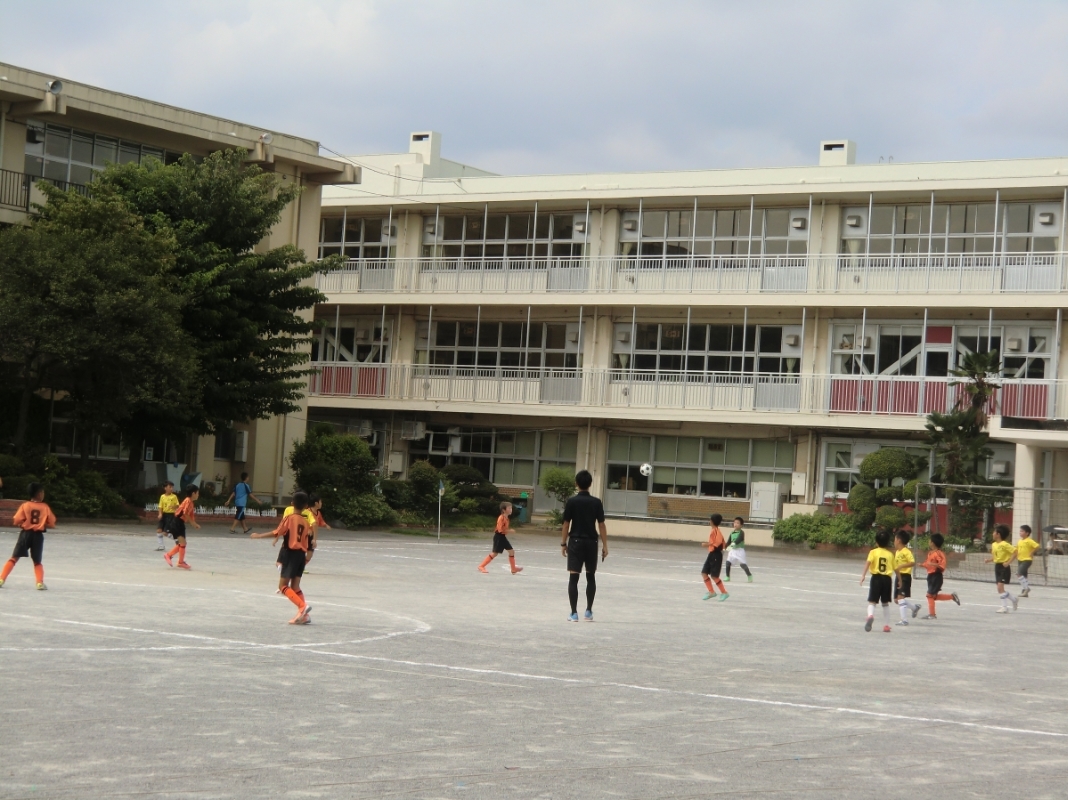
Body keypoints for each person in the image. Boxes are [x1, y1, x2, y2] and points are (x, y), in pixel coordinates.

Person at [251, 491, 315, 624]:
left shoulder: (289, 518)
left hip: (290, 553)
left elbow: (277, 532)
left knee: (282, 586)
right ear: (306, 506)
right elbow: (307, 541)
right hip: (301, 555)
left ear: (292, 504)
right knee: (295, 586)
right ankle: (304, 615)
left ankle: (302, 607)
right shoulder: (305, 522)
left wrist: (259, 535)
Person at [561, 470, 607, 622]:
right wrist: (605, 545)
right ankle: (588, 611)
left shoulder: (572, 502)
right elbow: (601, 525)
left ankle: (574, 613)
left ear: (576, 484)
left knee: (573, 578)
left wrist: (563, 543)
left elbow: (566, 524)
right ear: (590, 484)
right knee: (590, 577)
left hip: (575, 541)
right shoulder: (596, 502)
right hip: (591, 542)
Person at [0, 482, 56, 590]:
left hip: (25, 534)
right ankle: (39, 583)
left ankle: (1, 579)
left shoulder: (25, 505)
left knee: (14, 557)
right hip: (38, 536)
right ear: (39, 494)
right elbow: (52, 522)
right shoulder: (45, 507)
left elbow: (16, 520)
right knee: (37, 561)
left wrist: (23, 524)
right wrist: (43, 523)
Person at [917, 533, 959, 619]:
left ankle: (932, 614)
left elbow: (942, 565)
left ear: (933, 543)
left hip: (936, 576)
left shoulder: (939, 553)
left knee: (929, 595)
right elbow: (928, 563)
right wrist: (922, 565)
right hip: (930, 576)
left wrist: (933, 564)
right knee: (933, 596)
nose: (929, 542)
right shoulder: (930, 553)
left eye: (930, 540)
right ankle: (952, 596)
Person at [860, 530, 895, 632]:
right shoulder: (890, 554)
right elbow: (896, 568)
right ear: (888, 542)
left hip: (876, 578)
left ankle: (870, 615)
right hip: (887, 579)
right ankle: (886, 625)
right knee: (885, 603)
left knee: (872, 601)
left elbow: (868, 563)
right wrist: (900, 580)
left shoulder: (873, 552)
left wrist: (863, 575)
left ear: (876, 542)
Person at [478, 501, 523, 574]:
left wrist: (507, 531)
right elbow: (500, 530)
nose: (511, 510)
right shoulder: (501, 518)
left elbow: (504, 530)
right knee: (495, 553)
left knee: (511, 551)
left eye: (511, 508)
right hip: (498, 537)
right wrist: (509, 531)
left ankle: (513, 569)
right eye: (509, 508)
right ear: (503, 510)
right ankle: (481, 566)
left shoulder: (507, 518)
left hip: (502, 537)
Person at [164, 486, 201, 570]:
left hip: (179, 522)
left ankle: (172, 557)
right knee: (183, 543)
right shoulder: (188, 501)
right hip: (177, 522)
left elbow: (191, 515)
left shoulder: (191, 502)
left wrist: (194, 523)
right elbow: (185, 513)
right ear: (193, 493)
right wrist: (193, 523)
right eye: (197, 493)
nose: (198, 495)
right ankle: (177, 560)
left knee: (183, 543)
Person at [985, 524, 1018, 613]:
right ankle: (1014, 599)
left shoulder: (1005, 544)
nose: (992, 534)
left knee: (1000, 587)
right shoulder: (994, 545)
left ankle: (1004, 607)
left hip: (1004, 567)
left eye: (994, 532)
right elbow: (995, 557)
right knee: (999, 588)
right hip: (997, 566)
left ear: (998, 534)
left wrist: (1008, 563)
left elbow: (1015, 552)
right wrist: (989, 560)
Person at [892, 531, 923, 625]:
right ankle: (914, 608)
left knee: (901, 598)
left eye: (895, 539)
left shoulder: (906, 551)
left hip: (905, 577)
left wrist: (902, 566)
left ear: (899, 540)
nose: (894, 541)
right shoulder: (897, 552)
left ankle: (904, 620)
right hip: (898, 576)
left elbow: (912, 562)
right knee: (897, 600)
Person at [702, 513, 729, 601]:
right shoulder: (714, 530)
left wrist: (706, 544)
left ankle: (724, 592)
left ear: (712, 521)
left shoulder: (717, 531)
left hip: (716, 555)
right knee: (704, 573)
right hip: (711, 554)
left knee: (714, 576)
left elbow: (717, 544)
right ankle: (711, 592)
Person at [724, 516, 752, 583]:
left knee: (742, 564)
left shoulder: (741, 532)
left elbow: (739, 539)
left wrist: (733, 544)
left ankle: (749, 575)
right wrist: (724, 546)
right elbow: (728, 541)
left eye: (737, 523)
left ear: (741, 525)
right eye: (735, 522)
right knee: (728, 563)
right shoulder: (732, 532)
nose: (735, 524)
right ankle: (727, 576)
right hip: (733, 550)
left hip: (740, 550)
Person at [1015, 524, 1041, 597]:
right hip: (1020, 559)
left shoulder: (1029, 541)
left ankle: (1026, 588)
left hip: (1027, 560)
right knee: (1024, 575)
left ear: (1027, 533)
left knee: (1019, 573)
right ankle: (1024, 591)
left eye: (1022, 531)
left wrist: (1032, 552)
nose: (1020, 532)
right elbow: (1017, 549)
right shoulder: (1019, 541)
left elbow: (1037, 546)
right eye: (1020, 531)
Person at [156, 481, 179, 551]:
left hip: (171, 515)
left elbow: (177, 505)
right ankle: (161, 546)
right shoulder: (162, 496)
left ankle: (177, 539)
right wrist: (160, 514)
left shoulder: (174, 496)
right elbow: (160, 506)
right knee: (159, 530)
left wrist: (174, 506)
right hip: (164, 515)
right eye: (170, 487)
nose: (171, 489)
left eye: (172, 487)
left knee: (165, 533)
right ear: (165, 488)